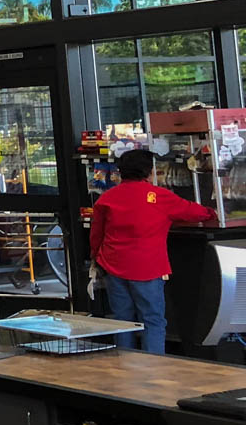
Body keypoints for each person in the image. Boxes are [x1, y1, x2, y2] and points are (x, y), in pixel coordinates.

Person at [89, 148, 213, 354]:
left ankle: (124, 365)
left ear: (121, 171)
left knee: (122, 320)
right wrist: (214, 212)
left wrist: (97, 258)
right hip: (147, 267)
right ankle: (153, 367)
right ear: (149, 172)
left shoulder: (107, 198)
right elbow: (194, 212)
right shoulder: (159, 196)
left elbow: (96, 235)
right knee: (153, 319)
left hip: (113, 265)